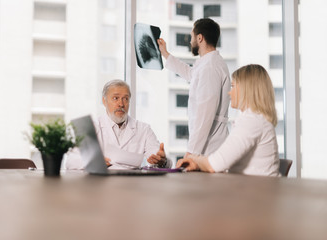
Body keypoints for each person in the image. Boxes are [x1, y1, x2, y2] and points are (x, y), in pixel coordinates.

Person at [176, 64, 280, 177]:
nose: (229, 92)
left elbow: (215, 164)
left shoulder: (252, 121)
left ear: (246, 89)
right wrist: (197, 163)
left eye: (233, 86)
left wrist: (193, 159)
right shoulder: (257, 119)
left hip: (256, 192)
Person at [158, 18, 231, 159]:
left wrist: (191, 153)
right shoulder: (207, 63)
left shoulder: (210, 67)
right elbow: (190, 73)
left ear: (200, 37)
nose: (190, 41)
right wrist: (165, 54)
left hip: (211, 147)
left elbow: (205, 114)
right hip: (207, 145)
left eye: (192, 36)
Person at [66, 79, 172, 169]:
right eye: (115, 98)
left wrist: (162, 161)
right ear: (104, 101)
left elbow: (159, 157)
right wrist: (94, 162)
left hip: (133, 186)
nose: (121, 104)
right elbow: (71, 161)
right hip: (101, 185)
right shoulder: (91, 127)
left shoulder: (144, 129)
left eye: (125, 99)